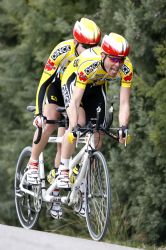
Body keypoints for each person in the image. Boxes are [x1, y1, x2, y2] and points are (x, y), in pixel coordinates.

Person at [26, 17, 101, 218]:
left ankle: (59, 190)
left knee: (71, 137)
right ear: (76, 42)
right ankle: (33, 162)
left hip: (78, 93)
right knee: (50, 122)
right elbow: (44, 81)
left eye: (94, 46)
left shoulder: (97, 58)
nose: (89, 50)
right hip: (57, 89)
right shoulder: (62, 50)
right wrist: (39, 114)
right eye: (85, 46)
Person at [57, 32, 133, 190]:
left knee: (99, 131)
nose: (118, 65)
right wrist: (74, 126)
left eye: (121, 59)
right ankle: (63, 170)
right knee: (78, 122)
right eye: (113, 59)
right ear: (103, 55)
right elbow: (75, 101)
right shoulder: (89, 63)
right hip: (74, 81)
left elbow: (125, 102)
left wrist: (123, 127)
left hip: (96, 86)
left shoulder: (127, 68)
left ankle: (83, 186)